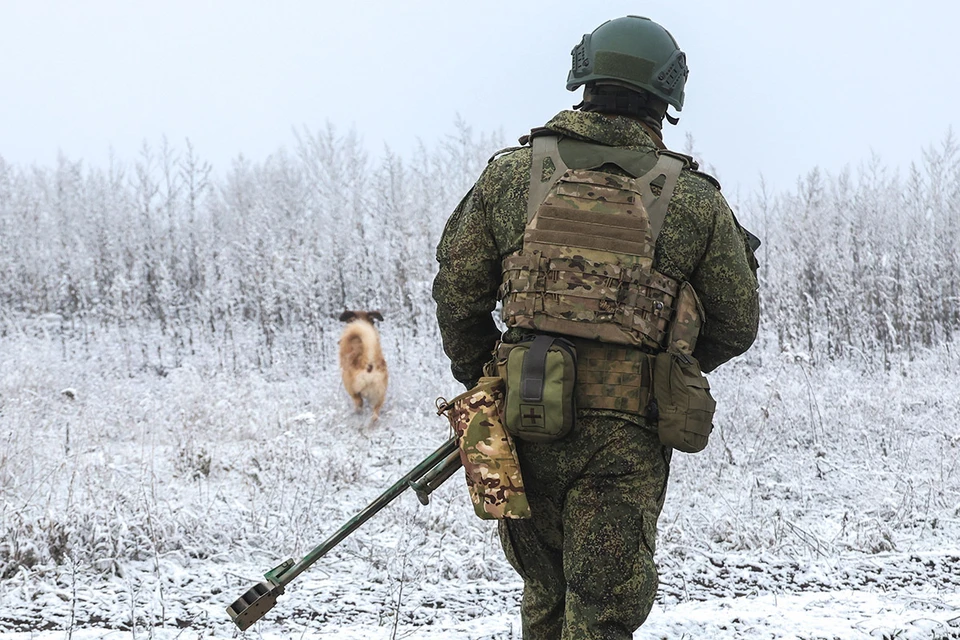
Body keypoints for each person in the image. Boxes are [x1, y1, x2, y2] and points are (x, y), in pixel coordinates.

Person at [432, 15, 760, 640]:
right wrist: (661, 369)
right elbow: (735, 322)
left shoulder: (510, 177)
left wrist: (490, 376)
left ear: (584, 77)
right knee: (603, 608)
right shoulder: (693, 200)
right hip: (625, 432)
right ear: (666, 95)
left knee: (545, 591)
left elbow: (458, 293)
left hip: (526, 414)